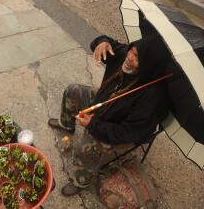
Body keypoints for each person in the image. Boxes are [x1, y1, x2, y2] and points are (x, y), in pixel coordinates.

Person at [48, 34, 171, 196]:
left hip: (118, 128)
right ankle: (66, 124)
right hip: (105, 103)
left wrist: (92, 124)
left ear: (149, 65)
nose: (129, 58)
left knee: (89, 142)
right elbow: (106, 43)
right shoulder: (124, 55)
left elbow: (127, 132)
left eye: (136, 57)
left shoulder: (153, 96)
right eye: (132, 51)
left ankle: (81, 180)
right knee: (73, 91)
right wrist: (102, 42)